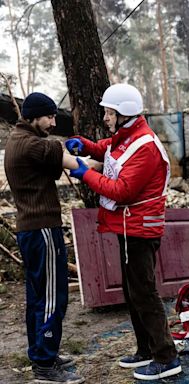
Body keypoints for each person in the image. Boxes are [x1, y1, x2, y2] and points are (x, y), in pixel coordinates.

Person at [65, 83, 181, 381]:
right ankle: (146, 349)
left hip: (140, 228)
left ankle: (166, 357)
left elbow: (122, 191)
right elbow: (109, 148)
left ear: (123, 113)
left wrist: (86, 173)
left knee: (144, 292)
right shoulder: (128, 136)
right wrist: (87, 145)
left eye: (108, 112)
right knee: (133, 292)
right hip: (130, 226)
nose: (105, 117)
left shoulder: (145, 147)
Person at [4, 92, 85, 383]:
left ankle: (41, 351)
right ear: (34, 116)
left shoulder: (17, 139)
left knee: (38, 296)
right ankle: (45, 364)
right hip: (42, 229)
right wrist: (111, 168)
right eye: (49, 117)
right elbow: (77, 165)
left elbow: (56, 154)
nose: (53, 122)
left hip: (30, 229)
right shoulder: (32, 145)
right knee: (54, 297)